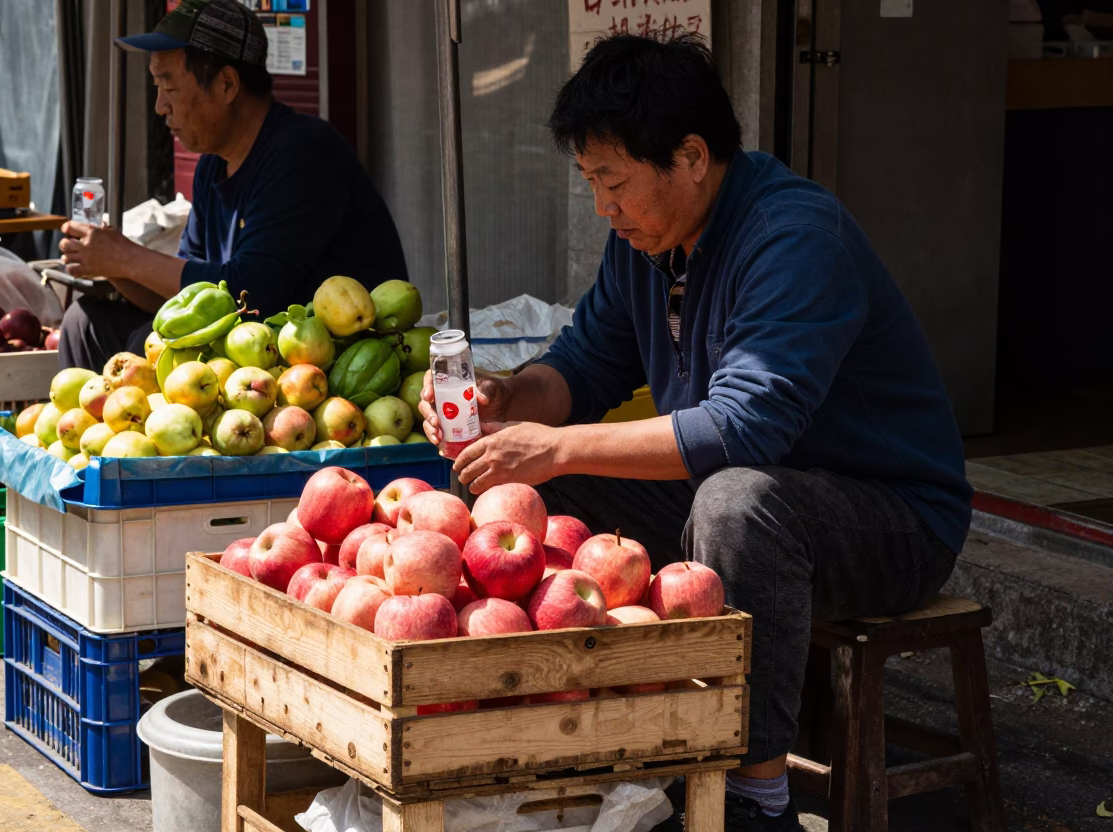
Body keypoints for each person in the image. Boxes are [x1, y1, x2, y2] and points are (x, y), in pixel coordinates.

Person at [420, 34, 971, 830]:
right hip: (732, 484)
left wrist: (558, 445)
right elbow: (582, 369)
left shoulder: (795, 237)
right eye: (590, 184)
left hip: (890, 516)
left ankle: (755, 797)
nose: (604, 208)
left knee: (739, 507)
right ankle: (555, 735)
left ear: (691, 157)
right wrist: (509, 400)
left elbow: (746, 429)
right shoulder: (644, 245)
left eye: (614, 182)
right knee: (513, 486)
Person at [56, 0, 407, 371]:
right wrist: (111, 264)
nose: (160, 106)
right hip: (249, 342)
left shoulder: (302, 152)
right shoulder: (213, 164)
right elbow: (189, 298)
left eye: (169, 86)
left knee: (143, 345)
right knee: (87, 324)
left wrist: (127, 256)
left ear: (226, 84)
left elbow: (250, 294)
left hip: (326, 361)